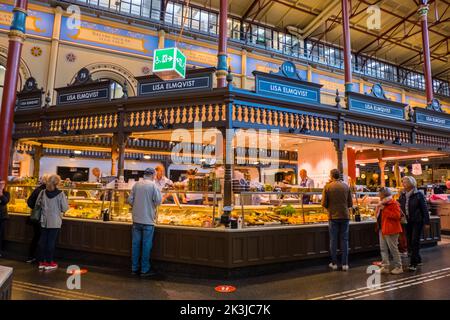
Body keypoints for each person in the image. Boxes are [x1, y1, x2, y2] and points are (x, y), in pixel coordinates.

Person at [128, 168, 162, 277]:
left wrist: (137, 206)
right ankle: (144, 269)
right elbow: (158, 201)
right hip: (148, 220)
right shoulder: (153, 186)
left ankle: (134, 268)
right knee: (146, 245)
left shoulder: (136, 185)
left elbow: (129, 200)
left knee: (135, 245)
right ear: (152, 175)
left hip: (136, 220)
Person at [321, 169, 352, 271]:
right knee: (344, 240)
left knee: (333, 240)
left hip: (333, 216)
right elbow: (350, 204)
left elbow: (324, 204)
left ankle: (334, 263)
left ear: (331, 176)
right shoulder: (346, 186)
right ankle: (345, 264)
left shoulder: (328, 187)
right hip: (345, 216)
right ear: (339, 176)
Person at [37, 174, 69, 271]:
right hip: (55, 222)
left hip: (44, 221)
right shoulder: (61, 194)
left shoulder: (42, 192)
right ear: (57, 183)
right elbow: (64, 208)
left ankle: (42, 262)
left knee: (43, 241)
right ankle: (49, 262)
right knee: (51, 242)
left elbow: (38, 204)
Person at [398, 176, 430, 271]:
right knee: (409, 241)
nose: (403, 184)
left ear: (412, 183)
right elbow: (400, 207)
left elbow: (424, 209)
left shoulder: (418, 194)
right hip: (407, 222)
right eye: (403, 182)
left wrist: (427, 222)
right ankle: (418, 259)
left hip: (417, 221)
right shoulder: (402, 195)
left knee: (414, 241)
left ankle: (413, 263)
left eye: (406, 182)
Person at [376, 187, 403, 275]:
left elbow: (397, 216)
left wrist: (384, 209)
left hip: (392, 229)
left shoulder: (393, 203)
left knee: (393, 249)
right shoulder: (381, 203)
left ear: (383, 194)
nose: (378, 195)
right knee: (383, 249)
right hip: (382, 228)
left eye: (379, 193)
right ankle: (385, 267)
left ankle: (399, 267)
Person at [26, 175, 49, 263]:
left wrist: (35, 209)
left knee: (36, 237)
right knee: (42, 238)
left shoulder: (36, 189)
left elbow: (29, 202)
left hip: (35, 218)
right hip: (43, 218)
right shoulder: (46, 191)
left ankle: (31, 256)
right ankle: (40, 258)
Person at [0, 180, 10, 258]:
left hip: (2, 217)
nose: (1, 185)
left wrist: (0, 193)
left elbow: (5, 201)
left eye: (3, 184)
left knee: (0, 235)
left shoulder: (6, 193)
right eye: (0, 184)